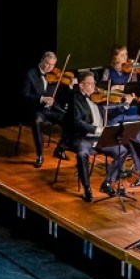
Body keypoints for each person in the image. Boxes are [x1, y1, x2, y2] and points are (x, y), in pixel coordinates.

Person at [59, 71, 109, 203]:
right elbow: (77, 122)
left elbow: (112, 111)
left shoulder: (98, 98)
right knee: (82, 154)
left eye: (94, 83)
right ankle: (87, 188)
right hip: (82, 137)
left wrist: (125, 104)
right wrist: (96, 130)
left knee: (122, 148)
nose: (94, 86)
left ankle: (109, 182)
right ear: (81, 86)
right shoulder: (75, 99)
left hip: (99, 138)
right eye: (90, 83)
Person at [21, 51, 70, 167]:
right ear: (42, 60)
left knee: (71, 120)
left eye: (53, 65)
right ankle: (40, 155)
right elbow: (24, 95)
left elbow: (63, 95)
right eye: (47, 64)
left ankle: (60, 149)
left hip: (53, 109)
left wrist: (70, 85)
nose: (50, 67)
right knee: (37, 121)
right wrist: (41, 99)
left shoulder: (55, 75)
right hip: (38, 109)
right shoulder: (31, 74)